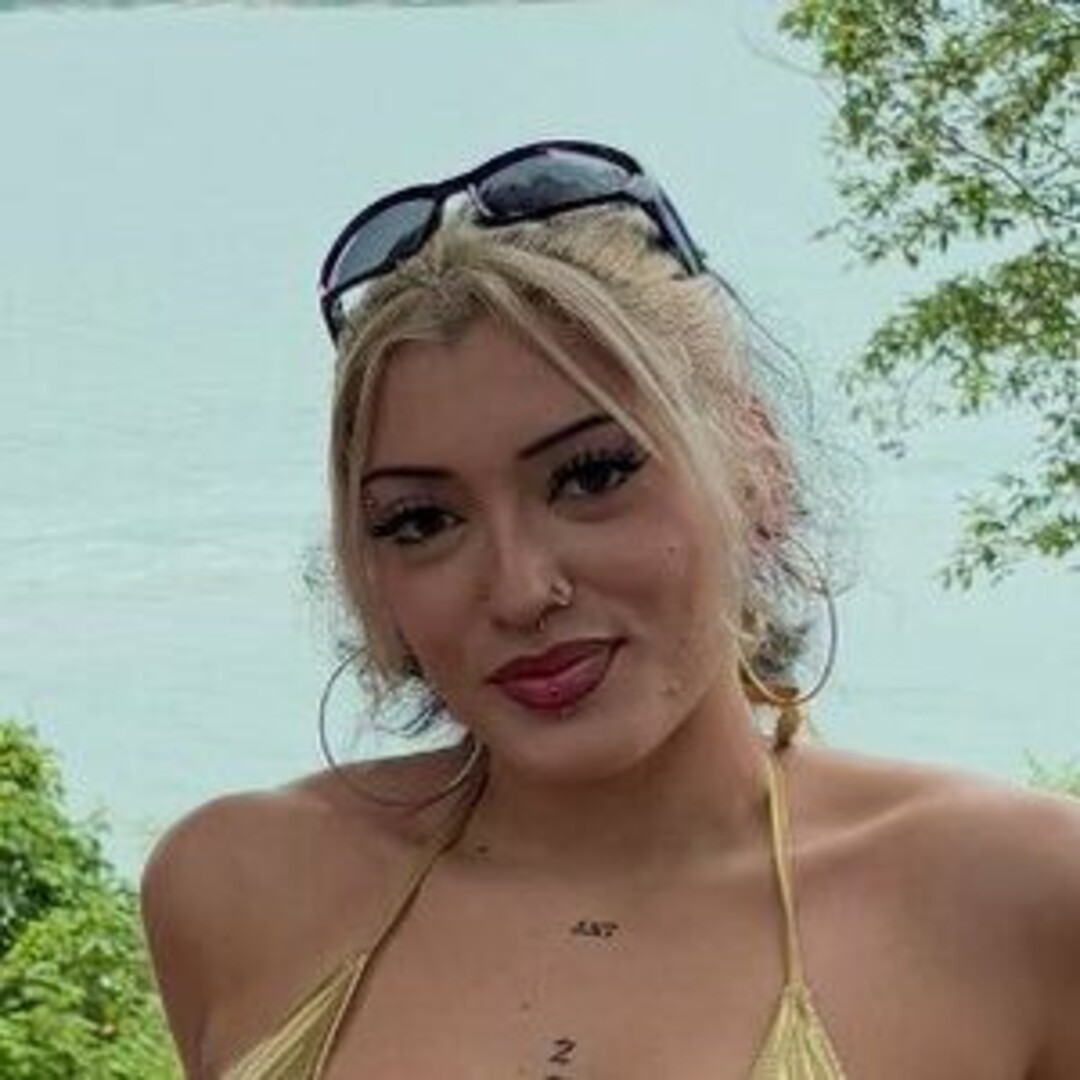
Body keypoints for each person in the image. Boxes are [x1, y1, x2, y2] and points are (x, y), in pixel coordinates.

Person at [140, 140, 1080, 1080]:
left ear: (756, 470)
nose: (520, 590)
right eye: (422, 520)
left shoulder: (1016, 900)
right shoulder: (239, 887)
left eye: (591, 476)